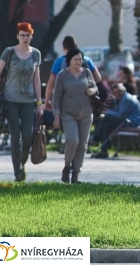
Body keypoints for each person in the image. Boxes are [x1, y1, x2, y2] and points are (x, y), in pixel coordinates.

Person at [0, 22, 43, 182]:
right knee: (15, 135)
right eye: (22, 35)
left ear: (31, 36)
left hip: (28, 100)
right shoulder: (9, 52)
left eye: (28, 35)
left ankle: (22, 160)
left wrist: (39, 103)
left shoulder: (36, 54)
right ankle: (17, 172)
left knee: (27, 135)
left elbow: (36, 80)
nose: (25, 38)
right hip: (11, 99)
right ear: (18, 36)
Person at [53, 48, 98, 184]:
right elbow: (57, 97)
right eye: (75, 59)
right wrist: (56, 115)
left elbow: (95, 87)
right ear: (69, 61)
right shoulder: (62, 75)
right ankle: (67, 167)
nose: (78, 62)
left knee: (83, 145)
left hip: (86, 113)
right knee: (73, 140)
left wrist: (92, 90)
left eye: (80, 59)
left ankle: (76, 174)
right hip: (68, 114)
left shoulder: (87, 72)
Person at [44, 36, 102, 111]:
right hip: (85, 99)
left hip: (67, 101)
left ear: (64, 48)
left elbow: (51, 84)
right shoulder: (86, 60)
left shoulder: (59, 61)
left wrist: (47, 100)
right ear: (76, 46)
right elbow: (98, 78)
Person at [92, 83, 140, 158]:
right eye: (115, 92)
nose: (117, 94)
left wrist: (109, 111)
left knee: (107, 117)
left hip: (134, 123)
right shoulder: (119, 99)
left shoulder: (127, 99)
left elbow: (121, 114)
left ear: (123, 91)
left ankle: (96, 138)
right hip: (127, 120)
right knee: (106, 124)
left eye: (119, 91)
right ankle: (104, 150)